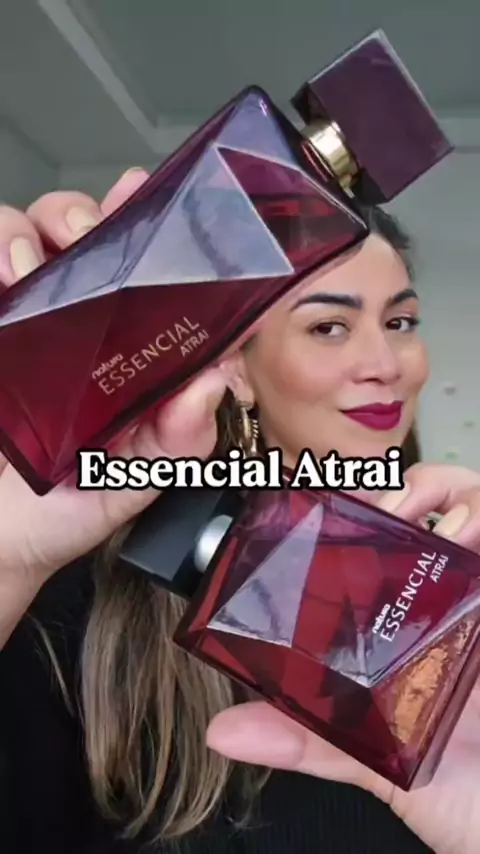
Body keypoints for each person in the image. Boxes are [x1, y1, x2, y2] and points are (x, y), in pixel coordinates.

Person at [0, 168, 479, 854]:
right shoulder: (82, 613)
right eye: (329, 326)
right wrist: (6, 558)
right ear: (237, 369)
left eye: (400, 322)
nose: (385, 362)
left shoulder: (457, 575)